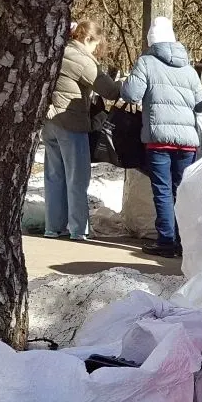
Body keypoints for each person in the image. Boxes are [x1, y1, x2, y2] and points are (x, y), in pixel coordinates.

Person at [120, 17, 202, 258]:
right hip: (188, 142)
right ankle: (185, 242)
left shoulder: (146, 62)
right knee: (183, 191)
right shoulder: (189, 69)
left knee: (162, 190)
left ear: (151, 41)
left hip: (159, 139)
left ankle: (167, 242)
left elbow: (130, 94)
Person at [42, 19, 122, 241]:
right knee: (77, 178)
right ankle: (78, 229)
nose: (95, 50)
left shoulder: (57, 51)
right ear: (87, 38)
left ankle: (53, 227)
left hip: (49, 122)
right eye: (95, 45)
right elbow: (110, 90)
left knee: (54, 176)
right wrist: (128, 84)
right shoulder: (80, 59)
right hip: (71, 122)